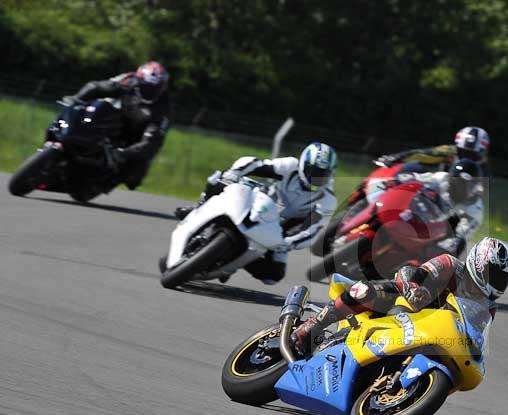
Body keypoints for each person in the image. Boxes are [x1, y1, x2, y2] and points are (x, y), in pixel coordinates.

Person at [293, 237, 508, 355]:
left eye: (503, 279)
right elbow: (413, 272)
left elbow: (475, 337)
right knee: (364, 290)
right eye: (495, 275)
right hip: (403, 306)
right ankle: (312, 326)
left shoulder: (488, 307)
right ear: (479, 263)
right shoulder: (450, 265)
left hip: (430, 334)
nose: (497, 283)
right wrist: (413, 287)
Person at [175, 142, 338, 284]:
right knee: (217, 178)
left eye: (322, 174)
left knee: (273, 276)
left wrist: (289, 243)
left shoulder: (327, 199)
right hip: (258, 202)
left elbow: (313, 230)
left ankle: (232, 265)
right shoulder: (290, 166)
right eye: (312, 171)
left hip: (278, 231)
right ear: (303, 164)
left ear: (331, 174)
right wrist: (235, 172)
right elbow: (255, 163)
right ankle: (198, 208)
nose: (316, 177)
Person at [64, 61, 171, 190]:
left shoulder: (163, 107)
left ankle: (106, 179)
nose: (150, 90)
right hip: (116, 120)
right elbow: (98, 87)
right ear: (140, 79)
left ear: (162, 87)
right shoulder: (129, 80)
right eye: (147, 86)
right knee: (94, 107)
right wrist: (76, 98)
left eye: (155, 88)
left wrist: (124, 153)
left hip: (136, 136)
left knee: (133, 178)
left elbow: (152, 141)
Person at [375, 126, 491, 176]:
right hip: (433, 193)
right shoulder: (448, 151)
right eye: (463, 152)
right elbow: (422, 154)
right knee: (414, 168)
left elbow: (484, 191)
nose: (466, 157)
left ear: (482, 153)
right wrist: (396, 158)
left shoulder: (484, 168)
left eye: (472, 155)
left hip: (456, 203)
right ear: (456, 147)